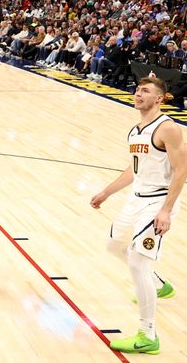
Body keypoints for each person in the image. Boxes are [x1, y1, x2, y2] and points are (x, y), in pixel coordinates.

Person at [90, 76, 186, 355]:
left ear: (159, 98)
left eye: (145, 91)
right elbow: (134, 170)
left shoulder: (168, 128)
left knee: (137, 262)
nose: (137, 94)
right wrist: (106, 192)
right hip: (136, 199)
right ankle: (159, 285)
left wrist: (166, 210)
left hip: (158, 202)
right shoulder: (135, 130)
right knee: (113, 245)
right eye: (137, 90)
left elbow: (182, 170)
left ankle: (147, 335)